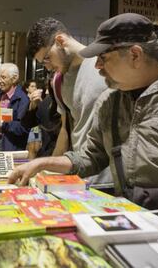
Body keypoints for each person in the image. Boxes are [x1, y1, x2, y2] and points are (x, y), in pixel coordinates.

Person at [9, 13, 158, 209]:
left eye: (103, 57)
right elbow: (91, 156)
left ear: (135, 55)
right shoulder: (109, 101)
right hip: (131, 218)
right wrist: (41, 164)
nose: (97, 66)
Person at [25, 17, 111, 187]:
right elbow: (66, 130)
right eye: (43, 62)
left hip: (110, 179)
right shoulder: (58, 81)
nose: (47, 67)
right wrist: (47, 170)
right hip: (80, 176)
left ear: (60, 41)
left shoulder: (105, 64)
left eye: (47, 58)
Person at [22, 80, 44, 159]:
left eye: (35, 86)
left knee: (36, 148)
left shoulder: (39, 99)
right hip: (27, 129)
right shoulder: (24, 99)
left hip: (36, 128)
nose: (34, 88)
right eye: (32, 86)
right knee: (30, 149)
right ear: (27, 89)